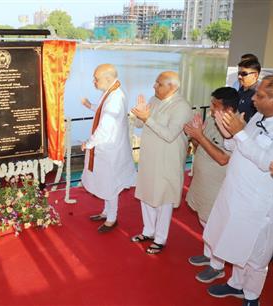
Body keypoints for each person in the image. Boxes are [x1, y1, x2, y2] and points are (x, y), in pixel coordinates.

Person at [204, 75, 273, 306]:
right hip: (237, 195)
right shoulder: (259, 116)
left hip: (259, 205)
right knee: (237, 243)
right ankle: (236, 285)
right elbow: (239, 147)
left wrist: (240, 133)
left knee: (256, 256)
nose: (253, 98)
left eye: (261, 95)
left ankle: (252, 297)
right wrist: (230, 134)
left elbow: (268, 162)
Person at [130, 71, 192, 254]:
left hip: (167, 159)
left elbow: (169, 134)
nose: (154, 86)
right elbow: (141, 125)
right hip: (149, 157)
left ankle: (160, 238)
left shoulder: (182, 107)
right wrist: (139, 113)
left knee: (163, 198)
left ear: (172, 87)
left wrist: (147, 118)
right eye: (155, 83)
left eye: (159, 84)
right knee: (146, 193)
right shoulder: (154, 99)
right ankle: (148, 231)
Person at [184, 87, 239, 282]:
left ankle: (218, 266)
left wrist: (199, 136)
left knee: (215, 225)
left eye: (215, 105)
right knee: (204, 221)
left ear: (229, 109)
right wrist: (194, 134)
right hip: (202, 183)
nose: (212, 108)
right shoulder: (213, 121)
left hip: (217, 187)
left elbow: (223, 159)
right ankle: (209, 254)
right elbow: (201, 147)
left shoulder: (234, 128)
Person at [80, 64, 136, 233]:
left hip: (110, 149)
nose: (93, 82)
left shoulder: (115, 98)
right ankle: (106, 212)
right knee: (105, 181)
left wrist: (88, 144)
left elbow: (105, 127)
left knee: (110, 183)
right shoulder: (112, 91)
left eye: (96, 79)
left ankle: (112, 219)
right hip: (108, 148)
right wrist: (91, 106)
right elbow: (102, 111)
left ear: (108, 79)